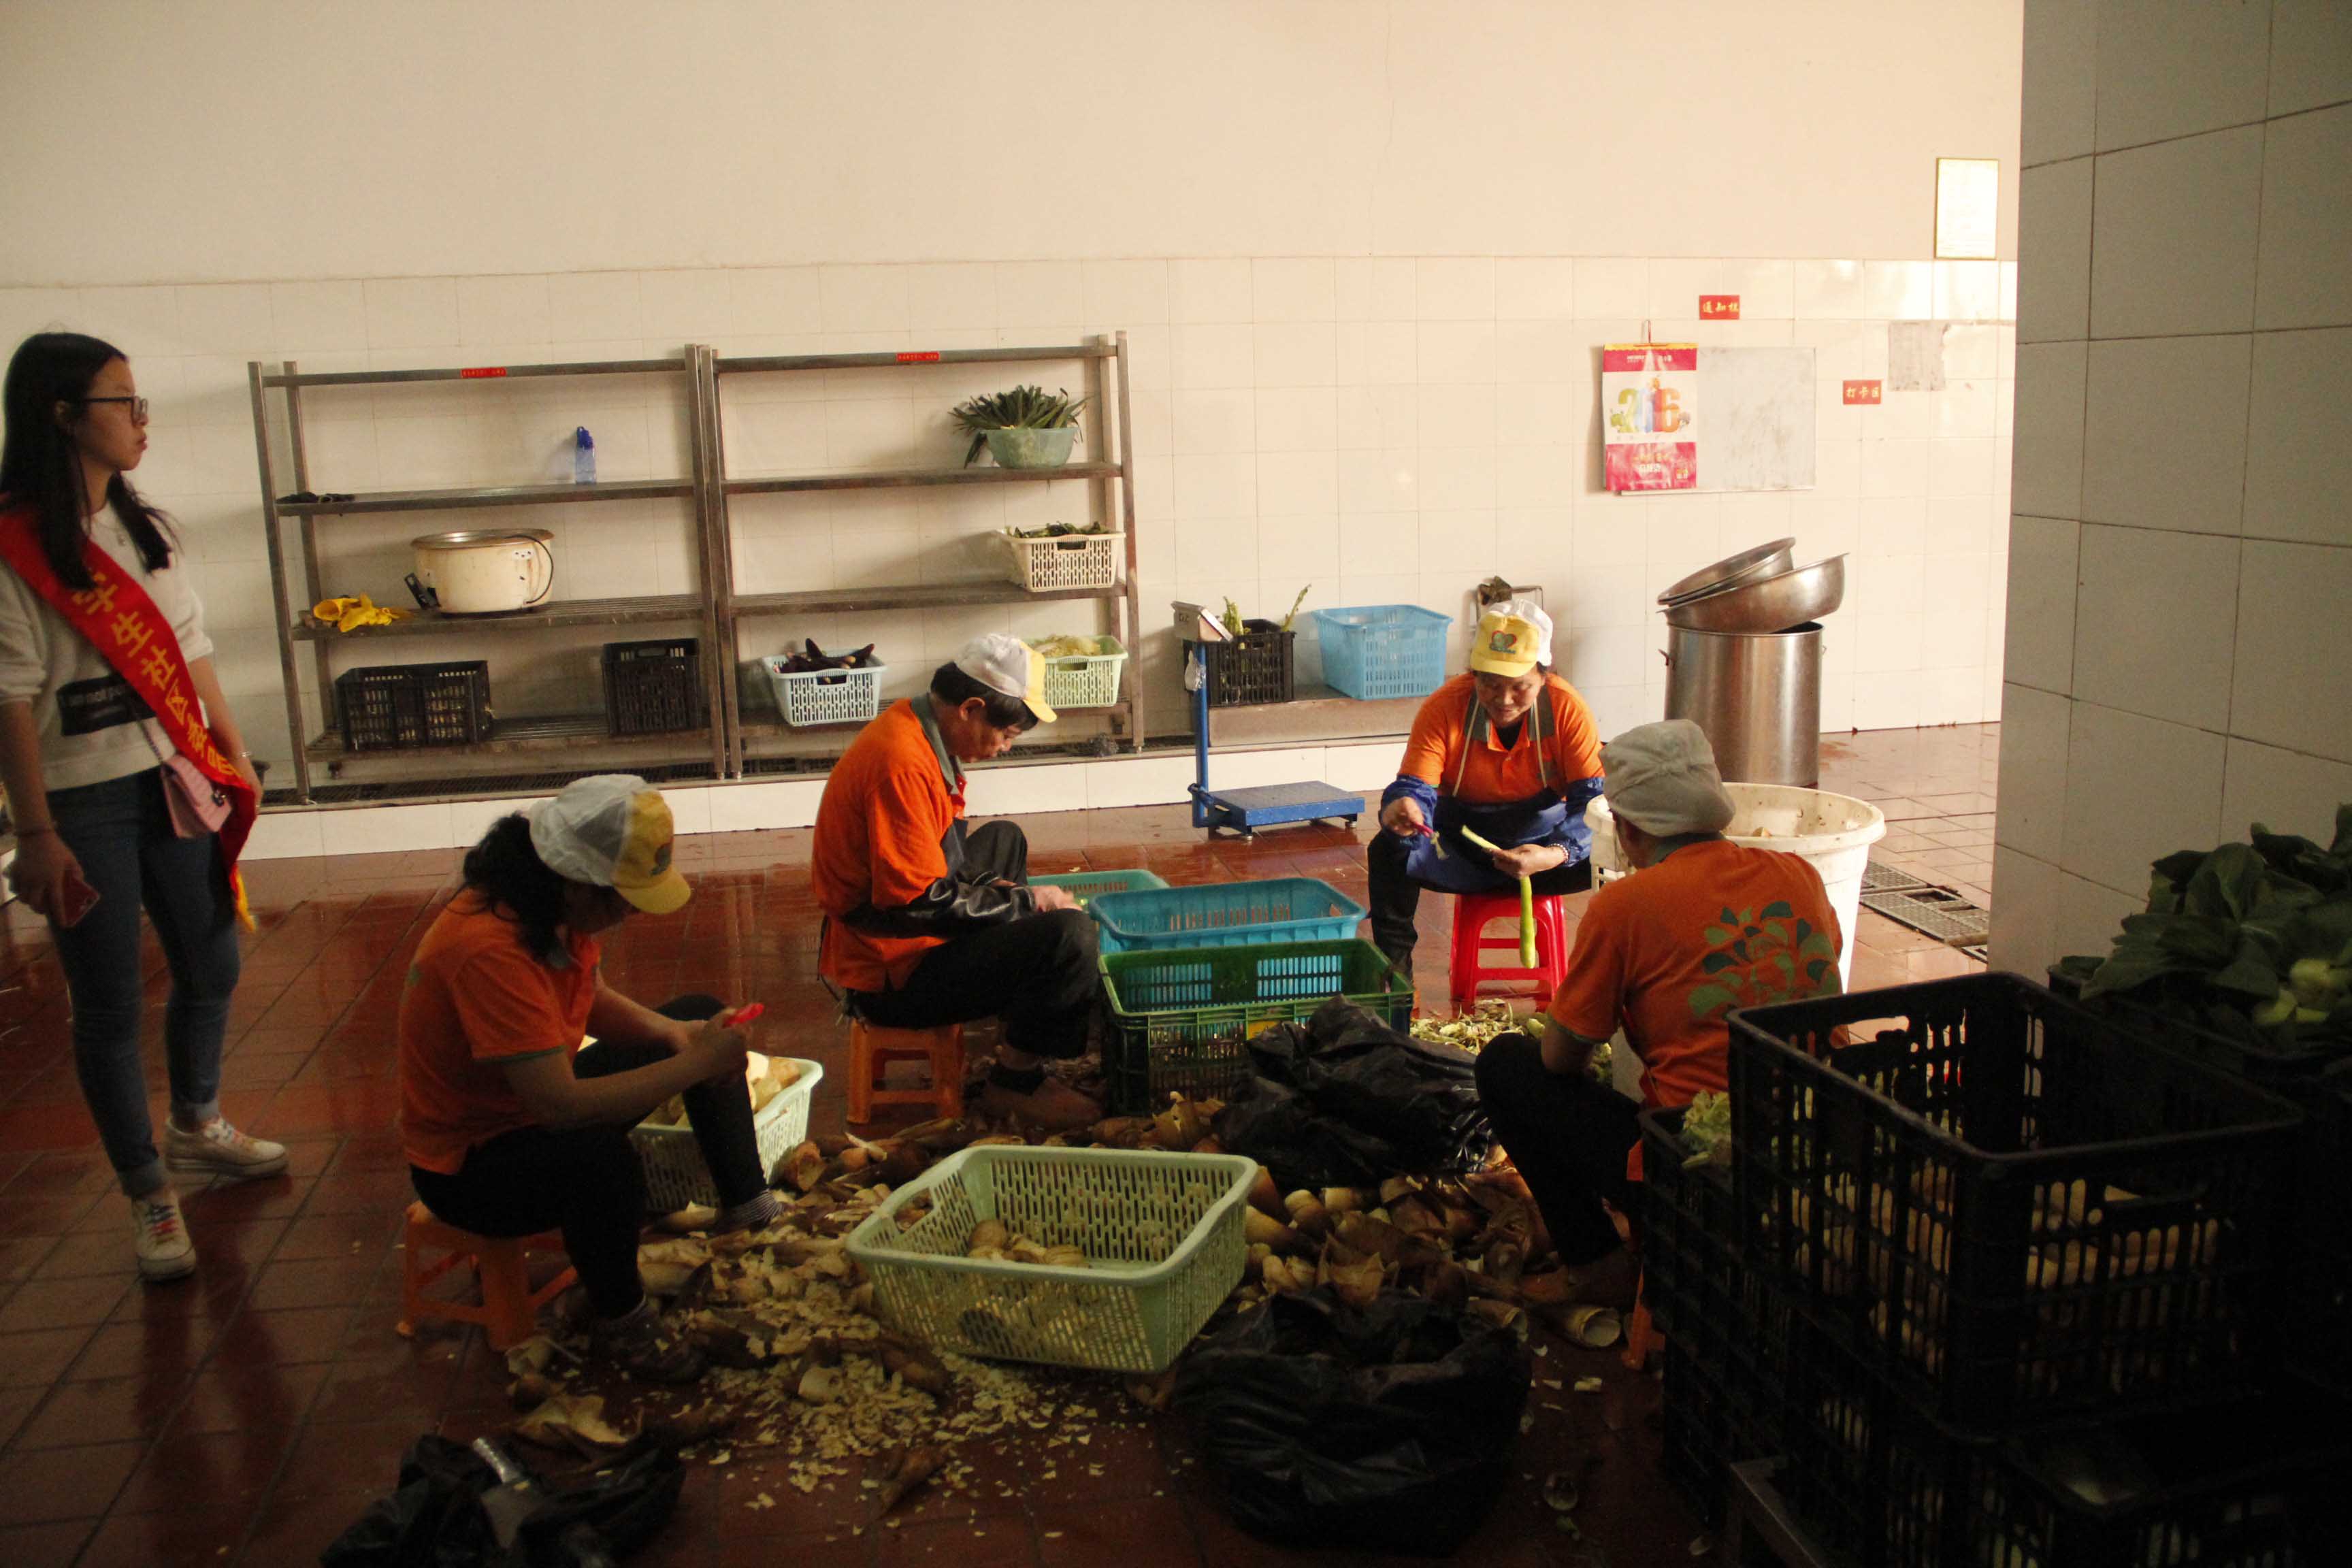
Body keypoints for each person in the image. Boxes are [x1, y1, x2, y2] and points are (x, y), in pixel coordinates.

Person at [0, 331, 279, 1284]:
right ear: (62, 414)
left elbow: (191, 649)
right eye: (122, 403)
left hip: (173, 776)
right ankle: (147, 1189)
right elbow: (10, 699)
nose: (140, 421)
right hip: (80, 800)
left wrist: (232, 754)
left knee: (211, 957)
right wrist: (35, 833)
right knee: (109, 999)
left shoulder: (139, 527)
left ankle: (196, 1121)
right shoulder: (15, 544)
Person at [398, 775, 778, 1383]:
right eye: (622, 898)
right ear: (578, 882)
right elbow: (561, 1107)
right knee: (602, 1162)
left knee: (700, 1016)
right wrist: (697, 1062)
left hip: (528, 1106)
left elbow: (588, 996)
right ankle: (622, 1321)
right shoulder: (489, 948)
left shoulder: (547, 905)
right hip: (470, 1165)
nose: (630, 912)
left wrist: (678, 1036)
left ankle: (749, 1211)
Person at [1475, 720, 1842, 1279]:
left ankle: (1596, 1263)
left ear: (1628, 828)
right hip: (1825, 1146)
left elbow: (1560, 1059)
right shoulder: (1800, 876)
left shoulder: (1625, 905)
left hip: (1700, 1170)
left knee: (1508, 1065)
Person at [811, 634, 1100, 1130]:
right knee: (1070, 937)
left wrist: (1003, 892)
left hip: (904, 926)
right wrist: (1026, 903)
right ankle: (1016, 1081)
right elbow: (918, 903)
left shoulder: (915, 725)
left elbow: (937, 860)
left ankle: (1022, 1015)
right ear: (970, 709)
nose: (1005, 747)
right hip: (892, 975)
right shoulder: (902, 763)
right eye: (1006, 734)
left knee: (1005, 839)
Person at [1368, 598, 1606, 975]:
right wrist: (1405, 808)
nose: (1504, 700)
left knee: (1620, 850)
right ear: (1473, 675)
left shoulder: (1567, 708)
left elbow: (1593, 801)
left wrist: (1557, 852)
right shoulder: (1444, 706)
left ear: (1544, 677)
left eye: (1520, 686)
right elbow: (1415, 787)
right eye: (1490, 684)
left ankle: (1605, 978)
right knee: (1388, 849)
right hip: (1461, 852)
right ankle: (1395, 980)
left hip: (1546, 853)